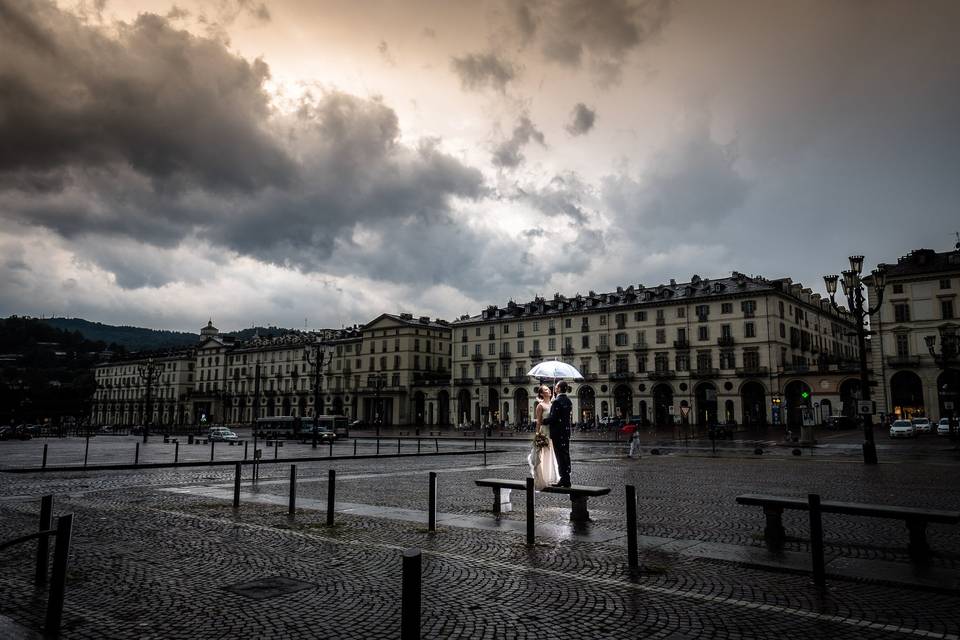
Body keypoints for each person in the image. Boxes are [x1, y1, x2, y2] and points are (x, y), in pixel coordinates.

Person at [528, 385, 560, 490]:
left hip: (553, 432)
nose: (549, 390)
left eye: (548, 389)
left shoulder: (553, 404)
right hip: (544, 432)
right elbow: (538, 422)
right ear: (541, 394)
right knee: (542, 456)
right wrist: (537, 435)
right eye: (546, 390)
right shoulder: (540, 406)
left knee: (551, 454)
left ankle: (551, 476)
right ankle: (541, 479)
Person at [544, 380, 573, 487]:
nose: (555, 388)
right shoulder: (568, 401)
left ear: (560, 388)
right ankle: (567, 478)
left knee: (560, 456)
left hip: (557, 433)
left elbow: (554, 418)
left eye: (556, 387)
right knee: (565, 455)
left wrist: (543, 421)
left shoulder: (557, 401)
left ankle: (563, 479)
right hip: (565, 432)